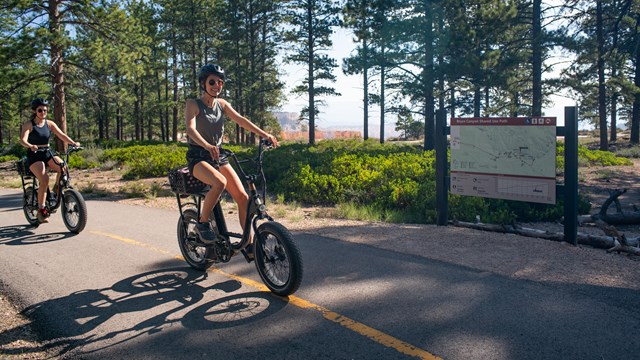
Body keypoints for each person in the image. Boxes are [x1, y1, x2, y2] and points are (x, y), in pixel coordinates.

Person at [185, 64, 278, 250]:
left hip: (218, 156)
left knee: (243, 197)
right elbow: (190, 129)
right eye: (212, 82)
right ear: (203, 83)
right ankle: (202, 223)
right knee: (219, 182)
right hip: (198, 157)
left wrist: (264, 134)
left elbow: (242, 120)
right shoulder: (193, 104)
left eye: (220, 82)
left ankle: (248, 244)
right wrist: (206, 145)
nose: (217, 86)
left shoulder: (222, 104)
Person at [20, 98, 80, 223]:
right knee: (44, 179)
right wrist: (30, 145)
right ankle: (42, 210)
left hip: (47, 152)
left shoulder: (49, 124)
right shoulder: (29, 124)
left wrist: (73, 143)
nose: (43, 112)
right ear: (34, 111)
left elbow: (62, 135)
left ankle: (56, 190)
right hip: (34, 155)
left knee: (63, 167)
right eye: (40, 110)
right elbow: (23, 140)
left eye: (45, 110)